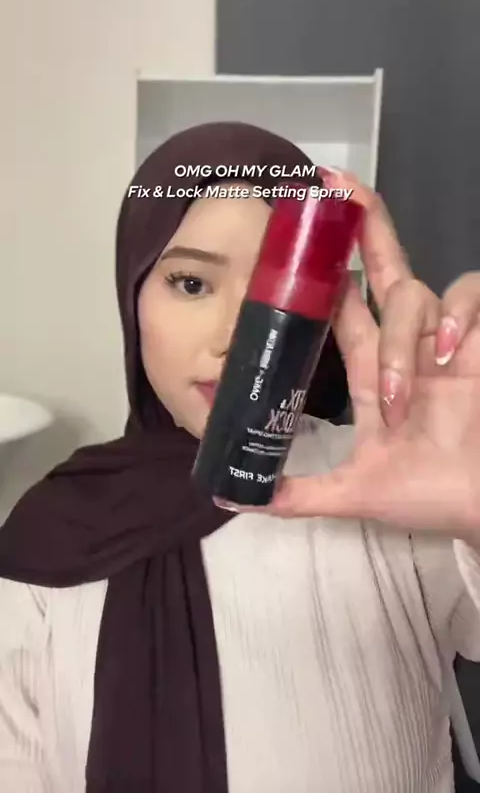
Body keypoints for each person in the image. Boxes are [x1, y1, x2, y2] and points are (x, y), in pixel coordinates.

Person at [0, 121, 480, 793]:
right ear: (132, 294)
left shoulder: (395, 493)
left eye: (281, 284)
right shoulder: (49, 532)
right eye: (191, 284)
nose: (236, 335)